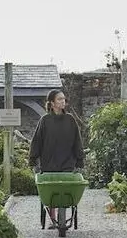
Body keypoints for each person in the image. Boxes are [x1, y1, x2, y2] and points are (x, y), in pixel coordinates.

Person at [29, 89, 85, 227]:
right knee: (52, 190)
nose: (63, 102)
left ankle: (61, 216)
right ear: (52, 103)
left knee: (65, 189)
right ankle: (52, 218)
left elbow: (77, 140)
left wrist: (79, 159)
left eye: (64, 99)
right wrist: (33, 158)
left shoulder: (70, 120)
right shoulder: (45, 120)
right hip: (49, 161)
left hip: (67, 161)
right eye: (59, 99)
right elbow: (37, 140)